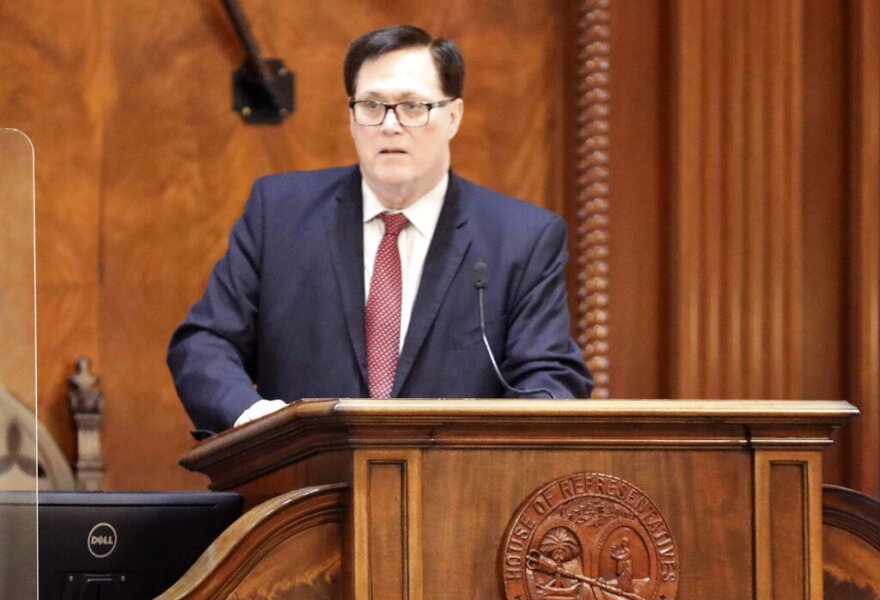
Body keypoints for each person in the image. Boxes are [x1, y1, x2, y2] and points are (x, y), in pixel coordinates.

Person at [167, 25, 592, 435]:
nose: (390, 125)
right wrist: (256, 419)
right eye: (372, 105)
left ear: (454, 116)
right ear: (351, 116)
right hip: (301, 490)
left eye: (413, 106)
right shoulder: (278, 214)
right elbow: (205, 344)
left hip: (455, 494)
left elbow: (549, 378)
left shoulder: (521, 238)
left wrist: (484, 452)